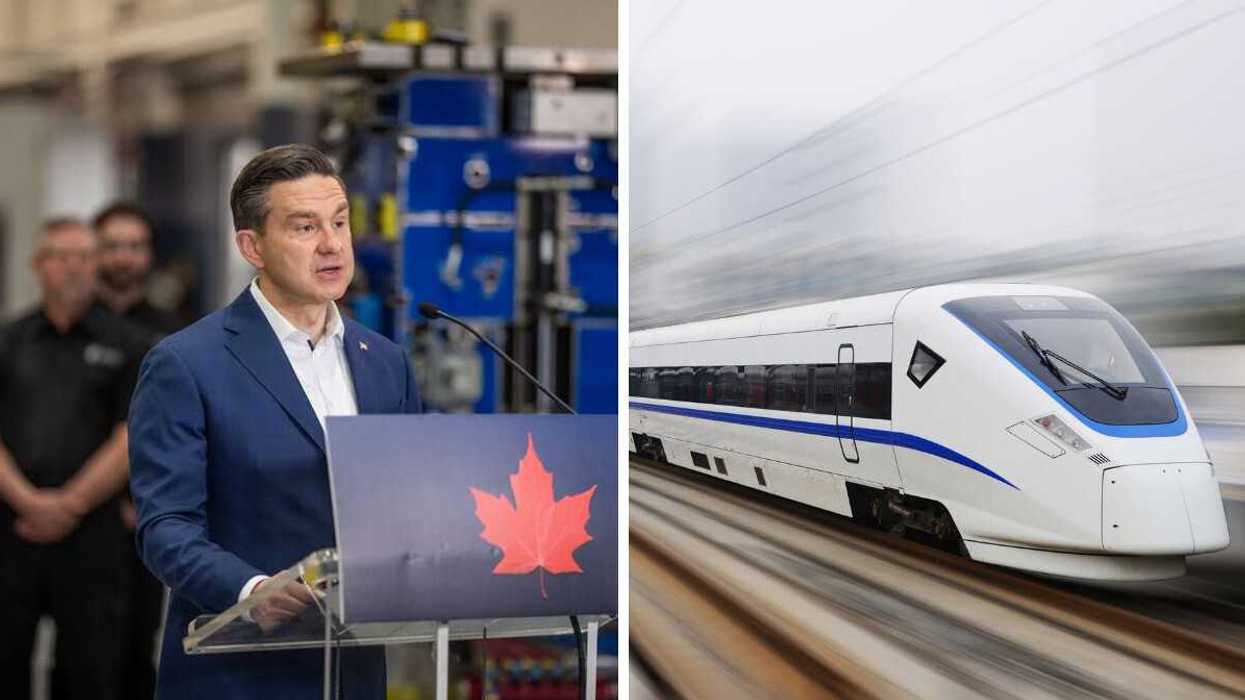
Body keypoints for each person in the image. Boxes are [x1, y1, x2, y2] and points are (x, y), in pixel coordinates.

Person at [128, 144, 423, 699]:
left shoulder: (386, 363)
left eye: (340, 222)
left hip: (353, 673)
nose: (332, 244)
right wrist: (252, 590)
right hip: (237, 671)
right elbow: (166, 526)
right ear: (252, 246)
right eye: (305, 227)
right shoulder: (186, 364)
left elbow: (409, 507)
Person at [0, 217, 148, 700]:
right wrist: (28, 501)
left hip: (93, 533)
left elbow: (130, 435)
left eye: (84, 257)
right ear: (38, 265)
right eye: (61, 257)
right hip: (12, 528)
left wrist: (70, 504)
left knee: (90, 672)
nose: (73, 268)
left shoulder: (130, 345)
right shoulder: (9, 340)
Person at [93, 201, 183, 700]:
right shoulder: (70, 325)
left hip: (145, 522)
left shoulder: (174, 333)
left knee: (138, 646)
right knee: (80, 657)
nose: (124, 257)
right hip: (78, 523)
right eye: (113, 246)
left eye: (135, 246)